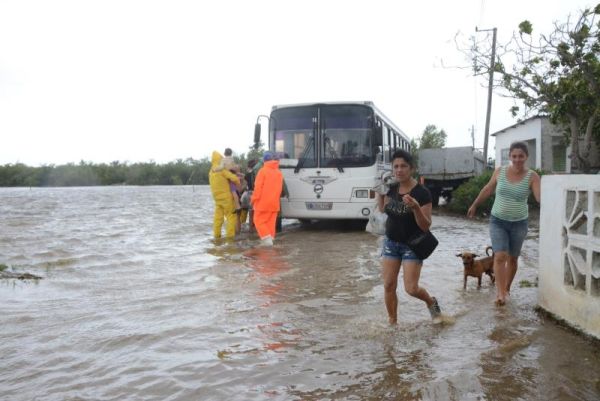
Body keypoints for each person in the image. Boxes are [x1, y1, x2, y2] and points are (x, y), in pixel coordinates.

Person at [467, 141, 541, 306]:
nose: (517, 159)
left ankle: (506, 288)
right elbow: (487, 189)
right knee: (500, 256)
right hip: (498, 221)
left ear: (526, 157)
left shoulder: (532, 176)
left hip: (519, 223)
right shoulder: (500, 171)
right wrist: (475, 205)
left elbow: (539, 197)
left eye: (521, 156)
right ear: (509, 157)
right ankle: (500, 294)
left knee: (513, 259)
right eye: (514, 156)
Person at [376, 149, 442, 324]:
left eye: (403, 166)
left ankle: (431, 302)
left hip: (413, 244)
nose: (399, 170)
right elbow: (384, 209)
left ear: (411, 168)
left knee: (411, 289)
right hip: (391, 241)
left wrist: (416, 208)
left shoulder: (422, 193)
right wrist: (379, 193)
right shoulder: (391, 187)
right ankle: (392, 322)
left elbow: (425, 225)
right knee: (389, 285)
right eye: (395, 166)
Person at [251, 152, 284, 246]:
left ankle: (267, 241)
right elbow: (280, 189)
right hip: (274, 204)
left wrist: (253, 199)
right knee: (270, 223)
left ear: (264, 160)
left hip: (262, 203)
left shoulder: (262, 171)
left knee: (258, 220)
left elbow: (258, 188)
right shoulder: (279, 172)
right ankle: (270, 242)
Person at [209, 151, 241, 239]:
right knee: (231, 216)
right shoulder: (222, 170)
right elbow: (233, 177)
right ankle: (230, 238)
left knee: (217, 218)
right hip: (226, 198)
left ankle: (217, 236)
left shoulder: (211, 171)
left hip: (216, 199)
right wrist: (238, 180)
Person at [213, 148, 243, 212]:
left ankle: (238, 207)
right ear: (231, 153)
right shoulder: (232, 159)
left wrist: (215, 170)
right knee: (237, 190)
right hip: (235, 175)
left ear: (225, 153)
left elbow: (221, 167)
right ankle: (239, 203)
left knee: (233, 191)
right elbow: (234, 166)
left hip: (230, 176)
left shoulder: (223, 160)